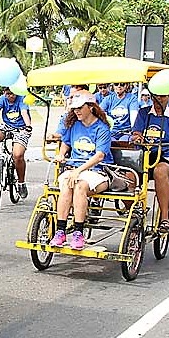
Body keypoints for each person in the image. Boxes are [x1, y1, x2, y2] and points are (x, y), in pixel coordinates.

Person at [50, 91, 113, 250]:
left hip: (98, 171)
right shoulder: (74, 126)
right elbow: (66, 143)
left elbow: (99, 156)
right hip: (75, 169)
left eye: (80, 107)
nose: (76, 111)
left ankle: (78, 232)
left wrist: (78, 171)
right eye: (74, 108)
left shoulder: (102, 128)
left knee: (80, 186)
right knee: (65, 185)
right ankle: (61, 230)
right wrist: (61, 154)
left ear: (91, 107)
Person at [130, 86, 169, 233]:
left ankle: (165, 218)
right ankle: (133, 214)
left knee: (160, 172)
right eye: (155, 96)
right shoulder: (144, 113)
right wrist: (137, 137)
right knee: (127, 176)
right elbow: (136, 132)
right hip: (144, 156)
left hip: (166, 155)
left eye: (162, 96)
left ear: (168, 97)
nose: (158, 99)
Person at [0, 87, 32, 197]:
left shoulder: (22, 98)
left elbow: (24, 112)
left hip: (21, 128)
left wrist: (28, 126)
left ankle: (21, 183)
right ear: (4, 93)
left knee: (18, 155)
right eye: (8, 94)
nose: (10, 96)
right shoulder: (2, 99)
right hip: (6, 126)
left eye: (13, 94)